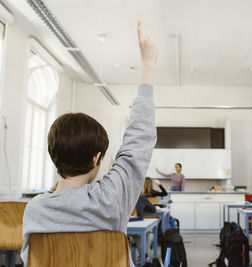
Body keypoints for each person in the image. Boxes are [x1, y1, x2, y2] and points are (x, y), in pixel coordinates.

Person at [21, 21, 157, 267]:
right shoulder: (111, 198)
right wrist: (147, 66)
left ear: (55, 157)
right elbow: (139, 139)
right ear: (96, 158)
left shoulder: (35, 210)